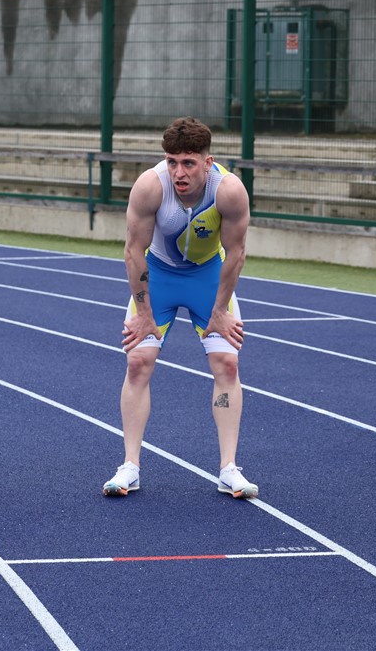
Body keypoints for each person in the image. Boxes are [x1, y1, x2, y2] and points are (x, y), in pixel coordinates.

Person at [103, 116, 259, 499]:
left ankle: (229, 469)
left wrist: (220, 311)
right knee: (138, 362)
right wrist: (144, 314)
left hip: (207, 277)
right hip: (160, 275)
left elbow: (236, 254)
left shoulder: (229, 191)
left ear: (208, 162)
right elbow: (133, 252)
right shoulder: (150, 186)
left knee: (227, 364)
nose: (179, 172)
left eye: (188, 163)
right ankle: (130, 466)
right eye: (172, 162)